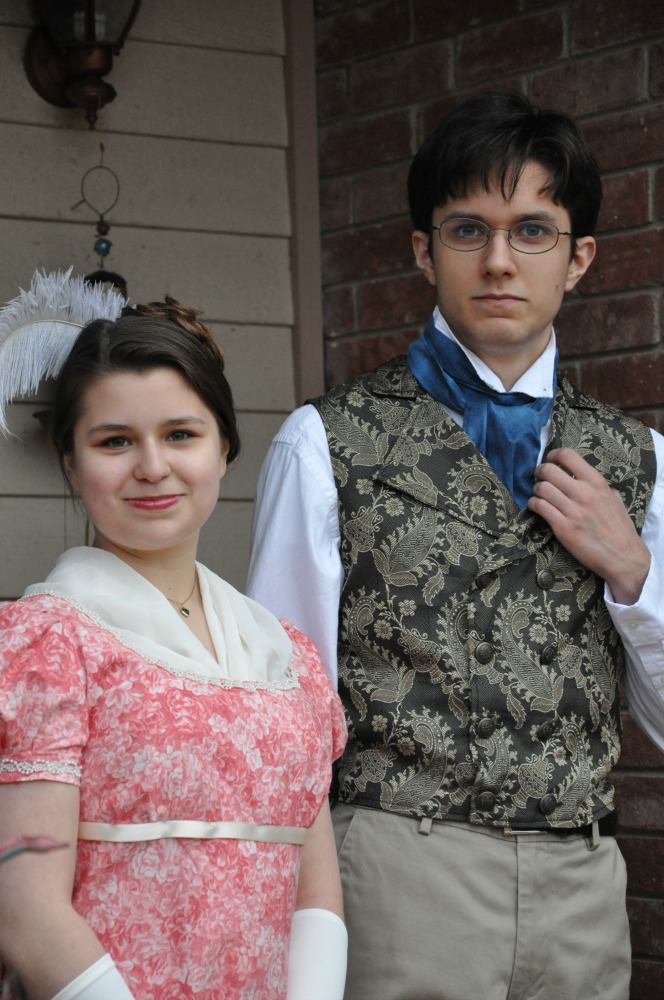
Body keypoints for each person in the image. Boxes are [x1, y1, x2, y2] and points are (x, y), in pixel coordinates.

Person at [246, 91, 664, 1000]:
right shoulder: (322, 443)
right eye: (469, 230)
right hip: (399, 877)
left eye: (533, 231)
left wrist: (633, 572)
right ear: (423, 250)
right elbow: (281, 716)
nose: (500, 261)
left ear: (580, 258)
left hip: (583, 886)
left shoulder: (642, 459)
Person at [0, 273, 348, 1000]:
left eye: (180, 435)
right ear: (71, 464)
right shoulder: (47, 644)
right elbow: (25, 910)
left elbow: (314, 889)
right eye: (115, 441)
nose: (152, 467)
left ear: (224, 449)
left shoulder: (285, 656)